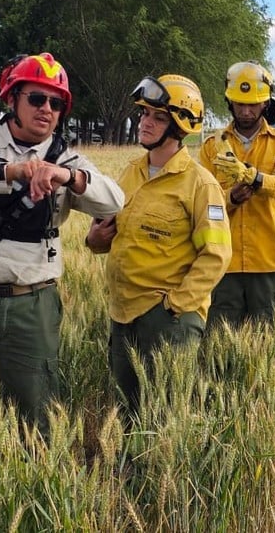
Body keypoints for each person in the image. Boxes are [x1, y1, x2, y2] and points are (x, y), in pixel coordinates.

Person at [0, 53, 125, 437]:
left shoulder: (67, 158)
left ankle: (34, 482)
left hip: (32, 305)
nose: (46, 109)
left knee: (38, 409)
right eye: (36, 98)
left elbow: (113, 200)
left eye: (56, 103)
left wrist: (67, 176)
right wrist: (8, 172)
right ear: (12, 99)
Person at [85, 74, 231, 416]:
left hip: (167, 319)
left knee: (166, 416)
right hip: (122, 315)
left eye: (158, 117)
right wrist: (93, 241)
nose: (145, 122)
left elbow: (217, 255)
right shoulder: (130, 173)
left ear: (180, 125)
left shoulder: (200, 184)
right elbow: (109, 234)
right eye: (144, 114)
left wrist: (174, 306)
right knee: (126, 414)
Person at [198, 61, 275, 330]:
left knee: (273, 342)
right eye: (239, 104)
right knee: (221, 345)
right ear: (229, 102)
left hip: (270, 261)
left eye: (252, 104)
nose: (245, 111)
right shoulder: (213, 146)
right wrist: (230, 199)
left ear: (266, 103)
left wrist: (254, 178)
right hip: (225, 263)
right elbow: (201, 202)